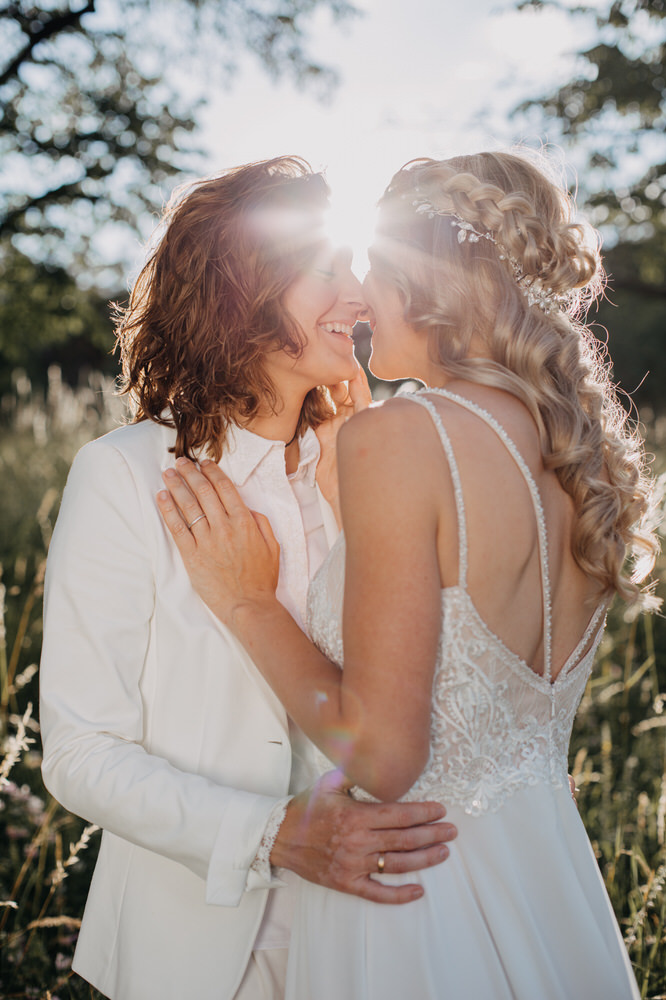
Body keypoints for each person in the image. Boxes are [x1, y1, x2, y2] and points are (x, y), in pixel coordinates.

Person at [158, 150, 659, 999]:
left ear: (428, 277)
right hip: (546, 880)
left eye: (372, 268)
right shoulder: (575, 457)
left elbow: (385, 756)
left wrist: (247, 602)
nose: (358, 301)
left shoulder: (399, 436)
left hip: (417, 896)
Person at [38, 156, 457, 1000]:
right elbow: (80, 751)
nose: (360, 296)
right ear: (242, 289)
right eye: (327, 268)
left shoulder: (377, 465)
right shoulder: (126, 474)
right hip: (191, 951)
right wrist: (273, 835)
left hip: (377, 937)